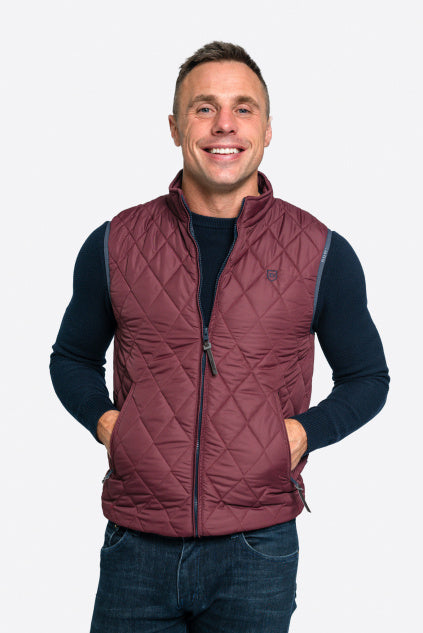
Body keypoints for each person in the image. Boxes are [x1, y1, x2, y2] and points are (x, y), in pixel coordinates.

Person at [49, 41, 389, 633]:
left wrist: (300, 434)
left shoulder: (321, 251)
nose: (224, 125)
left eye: (243, 108)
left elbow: (368, 378)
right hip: (136, 543)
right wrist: (110, 425)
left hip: (258, 549)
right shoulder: (114, 242)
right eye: (204, 108)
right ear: (175, 126)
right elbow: (71, 358)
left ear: (268, 129)